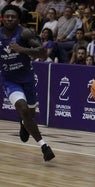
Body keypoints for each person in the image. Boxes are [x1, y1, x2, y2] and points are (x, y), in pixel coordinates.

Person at [0, 4, 55, 161]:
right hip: (9, 80)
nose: (10, 19)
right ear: (2, 18)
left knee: (29, 114)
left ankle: (23, 124)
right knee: (23, 109)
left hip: (27, 79)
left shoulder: (24, 33)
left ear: (18, 19)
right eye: (7, 16)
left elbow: (43, 54)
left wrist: (22, 50)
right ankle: (44, 146)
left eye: (13, 17)